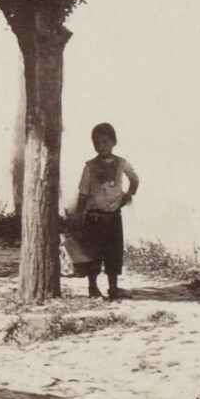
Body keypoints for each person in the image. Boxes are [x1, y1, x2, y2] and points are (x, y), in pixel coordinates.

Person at [65, 122, 140, 299]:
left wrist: (129, 194)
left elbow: (134, 178)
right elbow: (83, 192)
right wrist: (79, 214)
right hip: (94, 218)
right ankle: (92, 288)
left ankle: (113, 288)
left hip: (113, 217)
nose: (101, 146)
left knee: (113, 253)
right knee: (93, 254)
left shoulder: (122, 163)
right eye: (97, 143)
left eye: (105, 142)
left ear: (114, 142)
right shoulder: (90, 167)